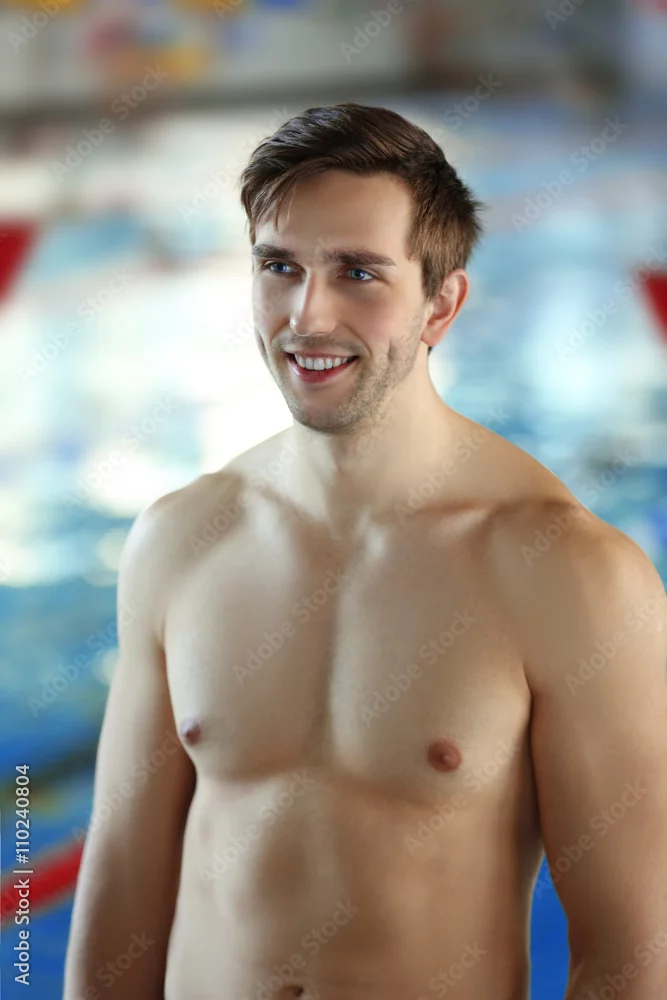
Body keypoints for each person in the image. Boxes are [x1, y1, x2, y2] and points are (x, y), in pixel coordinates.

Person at [64, 103, 667, 1000]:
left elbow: (630, 961)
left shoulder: (566, 573)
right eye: (280, 266)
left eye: (357, 273)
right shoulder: (181, 539)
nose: (307, 315)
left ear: (440, 304)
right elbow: (118, 908)